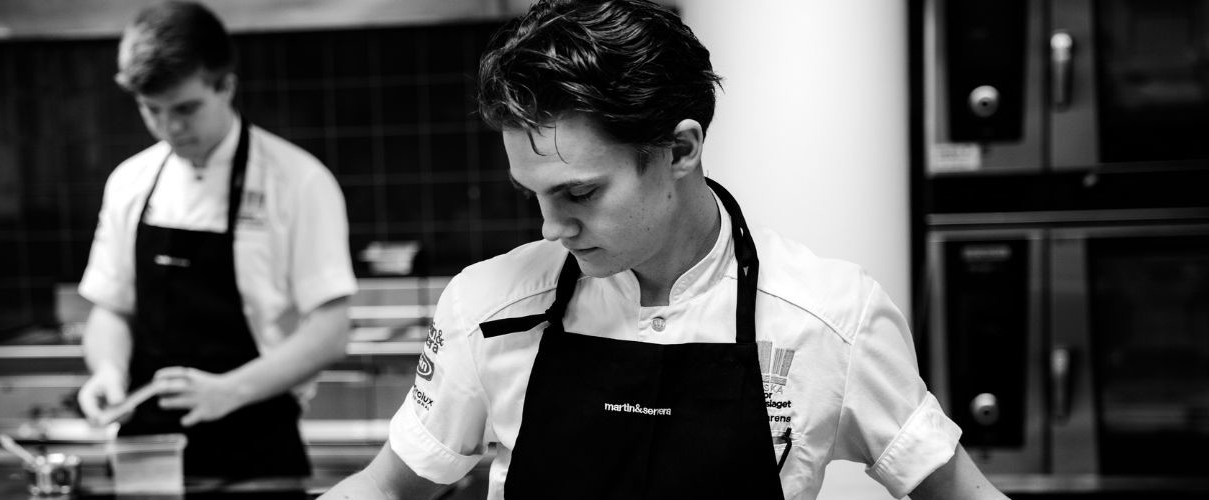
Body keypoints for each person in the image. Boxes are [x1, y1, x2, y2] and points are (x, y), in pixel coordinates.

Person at [323, 1, 1010, 498]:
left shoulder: (831, 316)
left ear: (680, 149)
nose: (551, 229)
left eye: (580, 193)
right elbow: (387, 488)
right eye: (532, 194)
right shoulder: (488, 306)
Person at [75, 0, 356, 480]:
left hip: (257, 449)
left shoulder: (298, 182)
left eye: (186, 109)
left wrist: (228, 390)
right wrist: (107, 370)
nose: (170, 128)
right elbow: (111, 309)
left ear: (226, 86)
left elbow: (330, 332)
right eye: (152, 110)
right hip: (148, 454)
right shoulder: (129, 183)